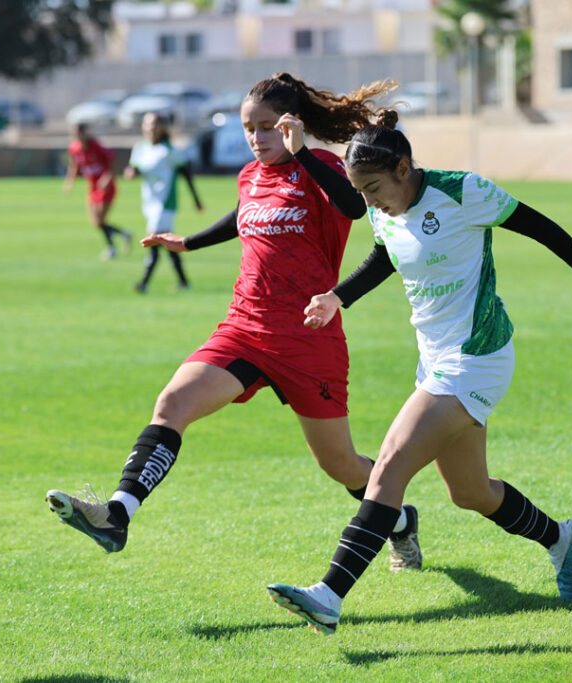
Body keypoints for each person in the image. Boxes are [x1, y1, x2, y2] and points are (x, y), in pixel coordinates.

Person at [266, 110, 572, 635]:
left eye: (374, 188)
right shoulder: (383, 208)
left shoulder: (463, 193)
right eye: (362, 191)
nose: (370, 201)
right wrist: (337, 297)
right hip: (434, 361)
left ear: (404, 168)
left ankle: (329, 594)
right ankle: (562, 538)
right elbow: (384, 256)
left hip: (479, 356)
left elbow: (540, 227)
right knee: (469, 492)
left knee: (390, 464)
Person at [46, 73, 424, 573]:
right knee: (172, 404)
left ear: (293, 125)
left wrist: (303, 153)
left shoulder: (326, 167)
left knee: (340, 464)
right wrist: (188, 243)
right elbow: (242, 214)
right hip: (244, 328)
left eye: (268, 127)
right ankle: (117, 514)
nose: (257, 138)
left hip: (308, 339)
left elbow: (354, 206)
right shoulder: (250, 175)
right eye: (250, 128)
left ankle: (399, 523)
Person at [125, 112, 203, 293]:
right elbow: (136, 168)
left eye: (154, 125)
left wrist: (196, 200)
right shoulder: (140, 148)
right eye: (147, 125)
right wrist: (131, 173)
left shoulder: (170, 151)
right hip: (149, 203)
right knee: (166, 243)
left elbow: (186, 174)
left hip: (165, 203)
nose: (150, 129)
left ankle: (143, 283)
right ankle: (184, 282)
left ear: (162, 128)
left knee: (153, 240)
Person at [64, 122, 132, 260]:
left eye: (79, 132)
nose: (76, 136)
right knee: (96, 222)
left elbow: (113, 160)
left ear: (84, 132)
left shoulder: (96, 146)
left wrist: (107, 177)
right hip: (93, 187)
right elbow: (74, 166)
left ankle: (112, 248)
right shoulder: (74, 148)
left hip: (106, 187)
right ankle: (123, 234)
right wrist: (70, 182)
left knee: (100, 219)